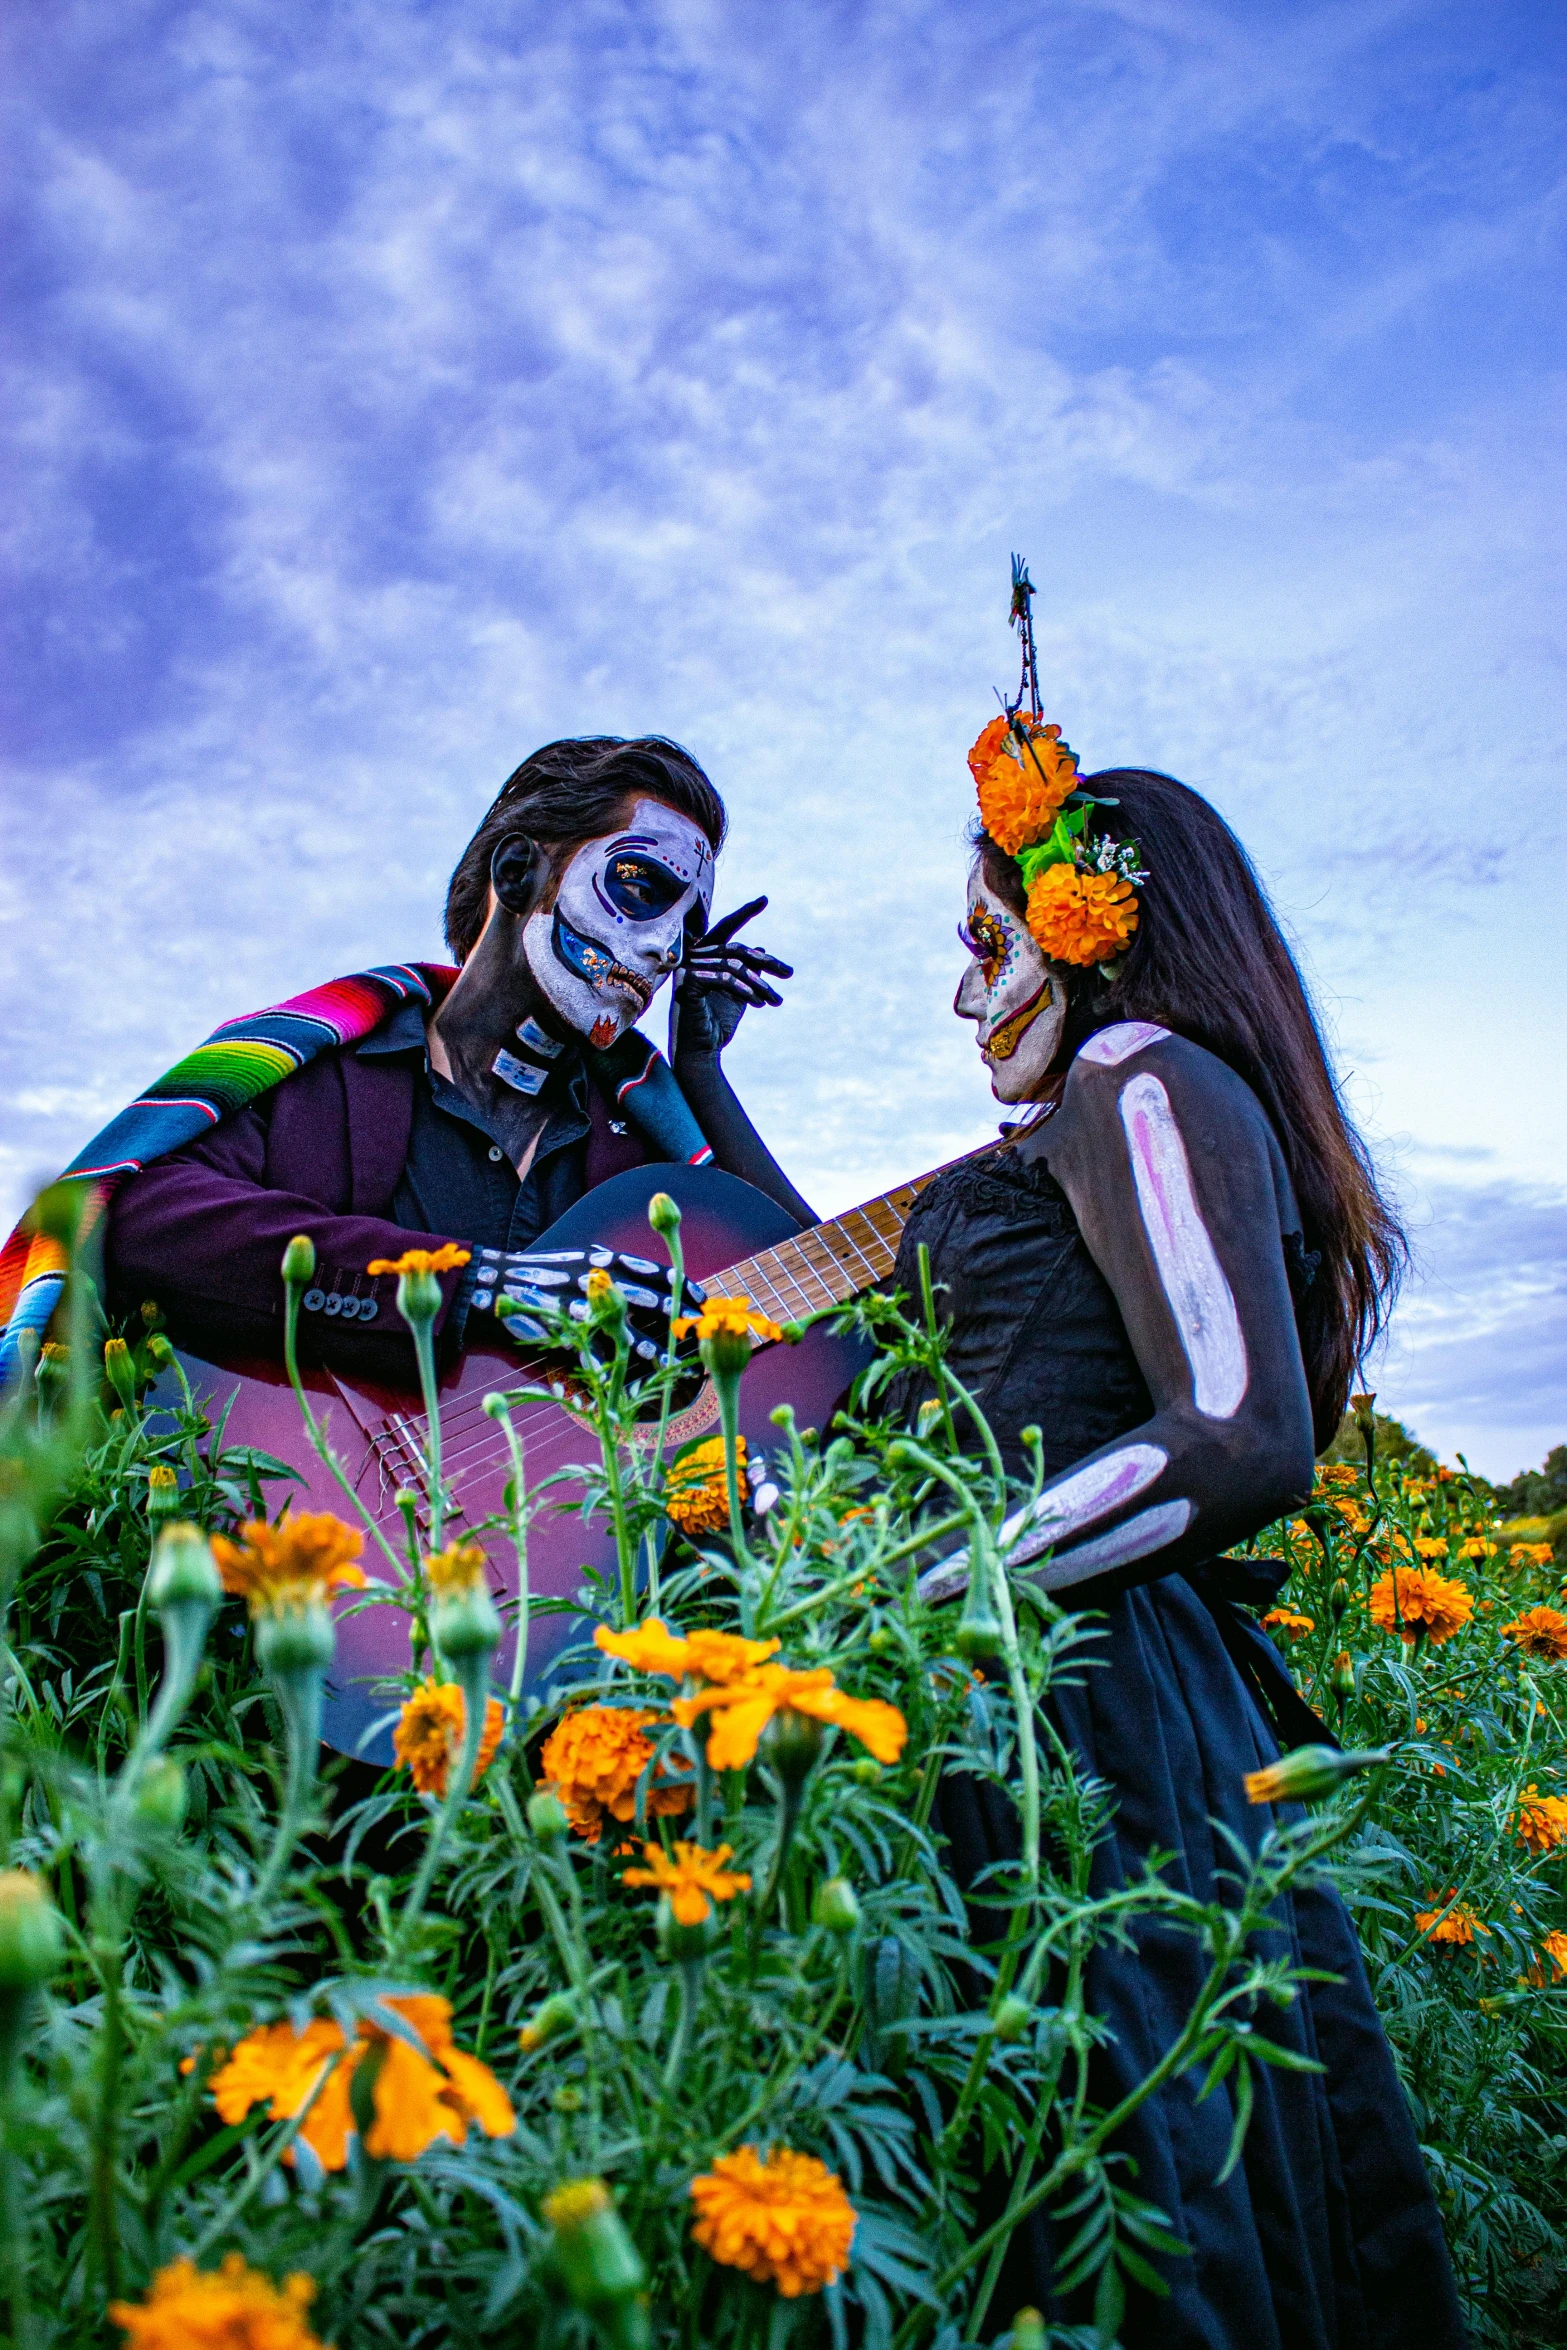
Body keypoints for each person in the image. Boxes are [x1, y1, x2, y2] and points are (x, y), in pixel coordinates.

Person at [888, 700, 1466, 2346]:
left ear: (1090, 930)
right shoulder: (1114, 1099)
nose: (961, 988)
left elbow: (1233, 1434)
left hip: (1083, 1692)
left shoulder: (1138, 1072)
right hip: (1084, 1670)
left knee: (1112, 2164)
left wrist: (939, 1580)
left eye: (984, 939)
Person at [53, 735, 811, 1377]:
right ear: (518, 874)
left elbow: (822, 1304)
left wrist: (702, 1073)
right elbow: (135, 1219)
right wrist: (483, 1285)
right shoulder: (325, 1071)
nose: (665, 948)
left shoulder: (643, 1142)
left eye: (690, 926)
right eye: (642, 886)